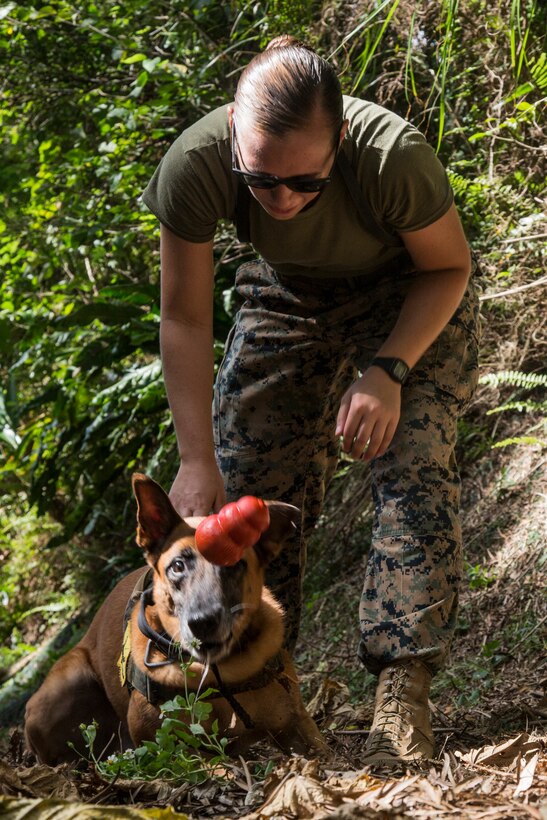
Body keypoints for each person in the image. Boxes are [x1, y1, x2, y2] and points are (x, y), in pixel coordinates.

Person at [142, 35, 480, 765]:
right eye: (262, 182)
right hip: (287, 295)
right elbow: (185, 317)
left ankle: (401, 690)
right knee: (244, 498)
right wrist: (196, 459)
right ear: (233, 130)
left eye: (307, 182)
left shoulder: (392, 157)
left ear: (342, 142)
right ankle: (261, 682)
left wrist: (387, 370)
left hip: (405, 293)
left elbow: (449, 267)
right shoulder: (195, 166)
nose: (284, 199)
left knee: (412, 465)